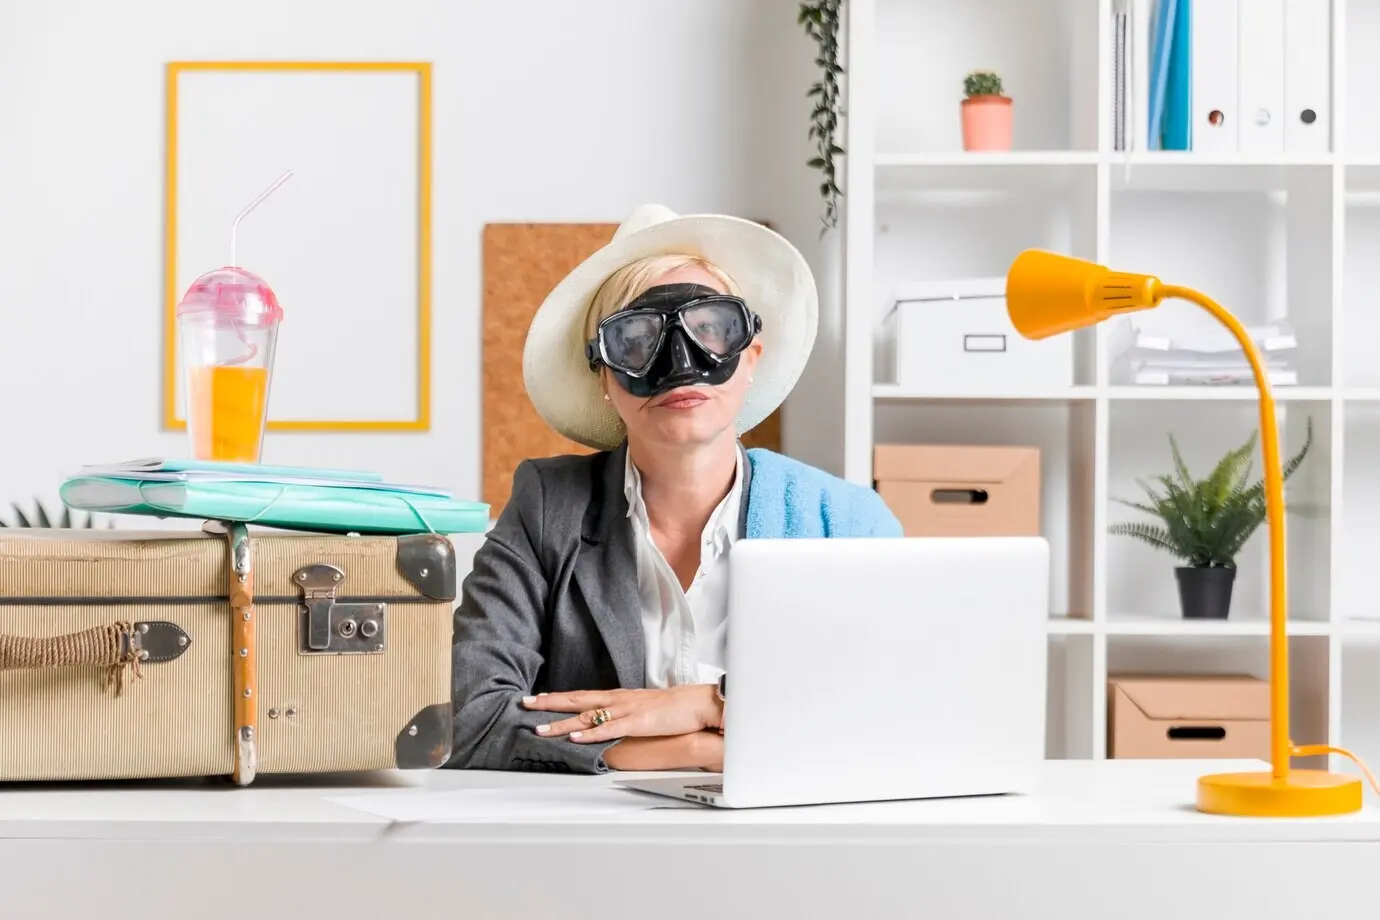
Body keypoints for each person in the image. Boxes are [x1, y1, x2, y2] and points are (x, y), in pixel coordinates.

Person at [447, 204, 902, 774]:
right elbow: (469, 718)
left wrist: (707, 702)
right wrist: (689, 749)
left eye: (712, 330)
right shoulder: (547, 508)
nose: (681, 365)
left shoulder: (846, 521)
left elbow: (897, 708)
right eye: (636, 342)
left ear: (751, 357)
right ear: (606, 379)